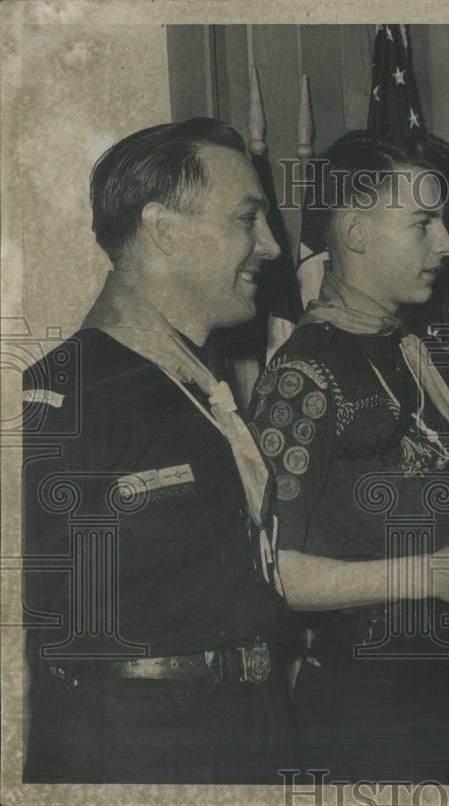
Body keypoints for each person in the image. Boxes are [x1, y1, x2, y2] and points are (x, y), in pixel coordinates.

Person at [21, 117, 291, 783]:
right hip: (138, 747)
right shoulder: (68, 392)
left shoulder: (196, 380)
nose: (273, 247)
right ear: (165, 230)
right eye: (247, 220)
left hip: (253, 725)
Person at [247, 129, 449, 782]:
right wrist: (431, 576)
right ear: (357, 232)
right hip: (366, 719)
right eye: (423, 224)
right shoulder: (304, 374)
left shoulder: (411, 349)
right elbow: (272, 569)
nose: (446, 245)